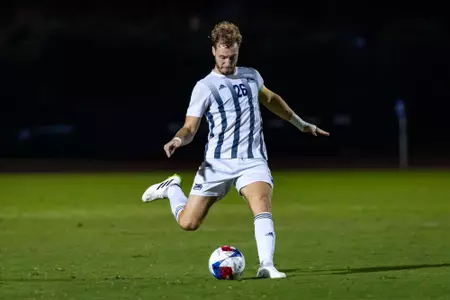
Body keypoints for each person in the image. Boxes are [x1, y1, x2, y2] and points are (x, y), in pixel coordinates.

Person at [141, 21, 329, 279]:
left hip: (252, 159)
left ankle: (266, 265)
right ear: (213, 51)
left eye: (232, 57)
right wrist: (177, 140)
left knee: (261, 202)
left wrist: (301, 124)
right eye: (222, 57)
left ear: (238, 51)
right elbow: (190, 127)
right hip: (217, 164)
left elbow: (271, 99)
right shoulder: (204, 87)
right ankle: (172, 189)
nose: (227, 62)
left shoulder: (251, 75)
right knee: (189, 223)